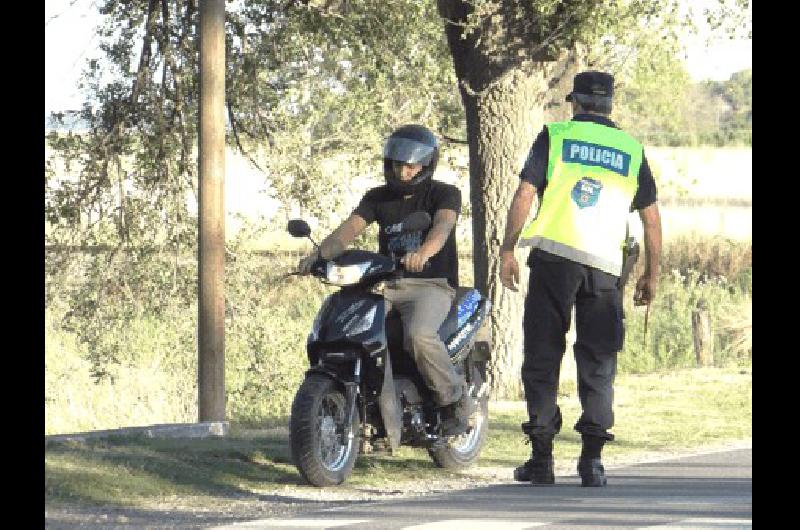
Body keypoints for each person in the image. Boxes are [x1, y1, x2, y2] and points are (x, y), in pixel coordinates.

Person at [499, 71, 662, 486]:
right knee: (598, 360)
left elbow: (523, 195)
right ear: (609, 104)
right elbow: (651, 217)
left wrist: (507, 249)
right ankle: (592, 462)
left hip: (554, 259)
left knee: (542, 354)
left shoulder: (555, 135)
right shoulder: (630, 148)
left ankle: (542, 458)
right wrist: (651, 274)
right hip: (606, 268)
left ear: (575, 102)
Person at [297, 124, 476, 435]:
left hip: (429, 285)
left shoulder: (444, 193)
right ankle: (363, 399)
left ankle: (453, 401)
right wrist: (319, 256)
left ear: (425, 165)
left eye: (410, 165)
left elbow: (442, 227)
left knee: (418, 335)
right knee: (349, 327)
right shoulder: (377, 197)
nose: (403, 171)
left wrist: (423, 252)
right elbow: (347, 231)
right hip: (386, 286)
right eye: (397, 164)